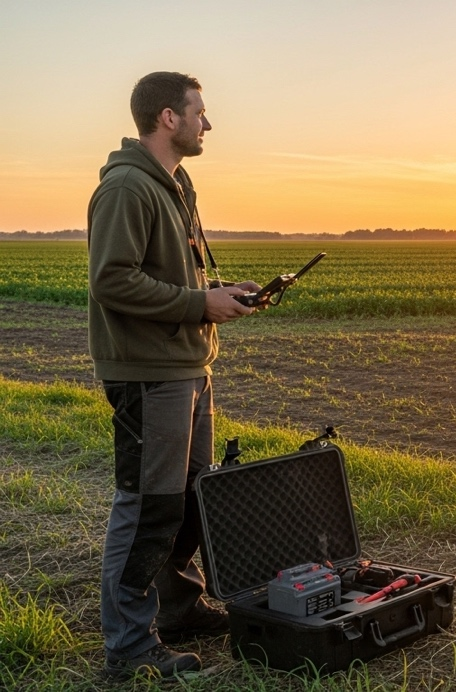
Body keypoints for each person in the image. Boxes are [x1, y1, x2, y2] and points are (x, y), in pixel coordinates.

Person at [87, 71, 258, 680]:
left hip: (188, 364)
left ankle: (179, 608)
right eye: (199, 112)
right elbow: (112, 280)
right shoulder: (127, 187)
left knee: (187, 501)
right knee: (147, 506)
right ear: (168, 117)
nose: (207, 123)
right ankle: (129, 646)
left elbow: (172, 276)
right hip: (149, 373)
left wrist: (220, 293)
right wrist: (197, 304)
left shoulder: (175, 185)